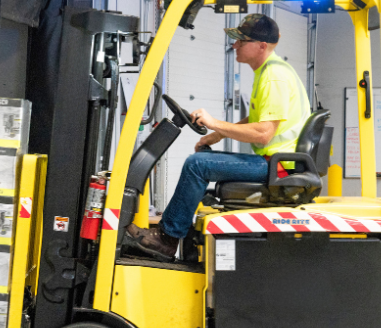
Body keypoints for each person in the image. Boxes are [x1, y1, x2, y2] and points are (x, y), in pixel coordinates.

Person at [128, 13, 311, 258]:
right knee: (203, 159)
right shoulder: (269, 71)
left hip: (278, 166)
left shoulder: (274, 77)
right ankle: (175, 233)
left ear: (261, 46)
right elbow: (260, 118)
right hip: (276, 162)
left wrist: (215, 123)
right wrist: (217, 134)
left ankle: (167, 239)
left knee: (197, 164)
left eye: (241, 40)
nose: (234, 45)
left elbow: (264, 133)